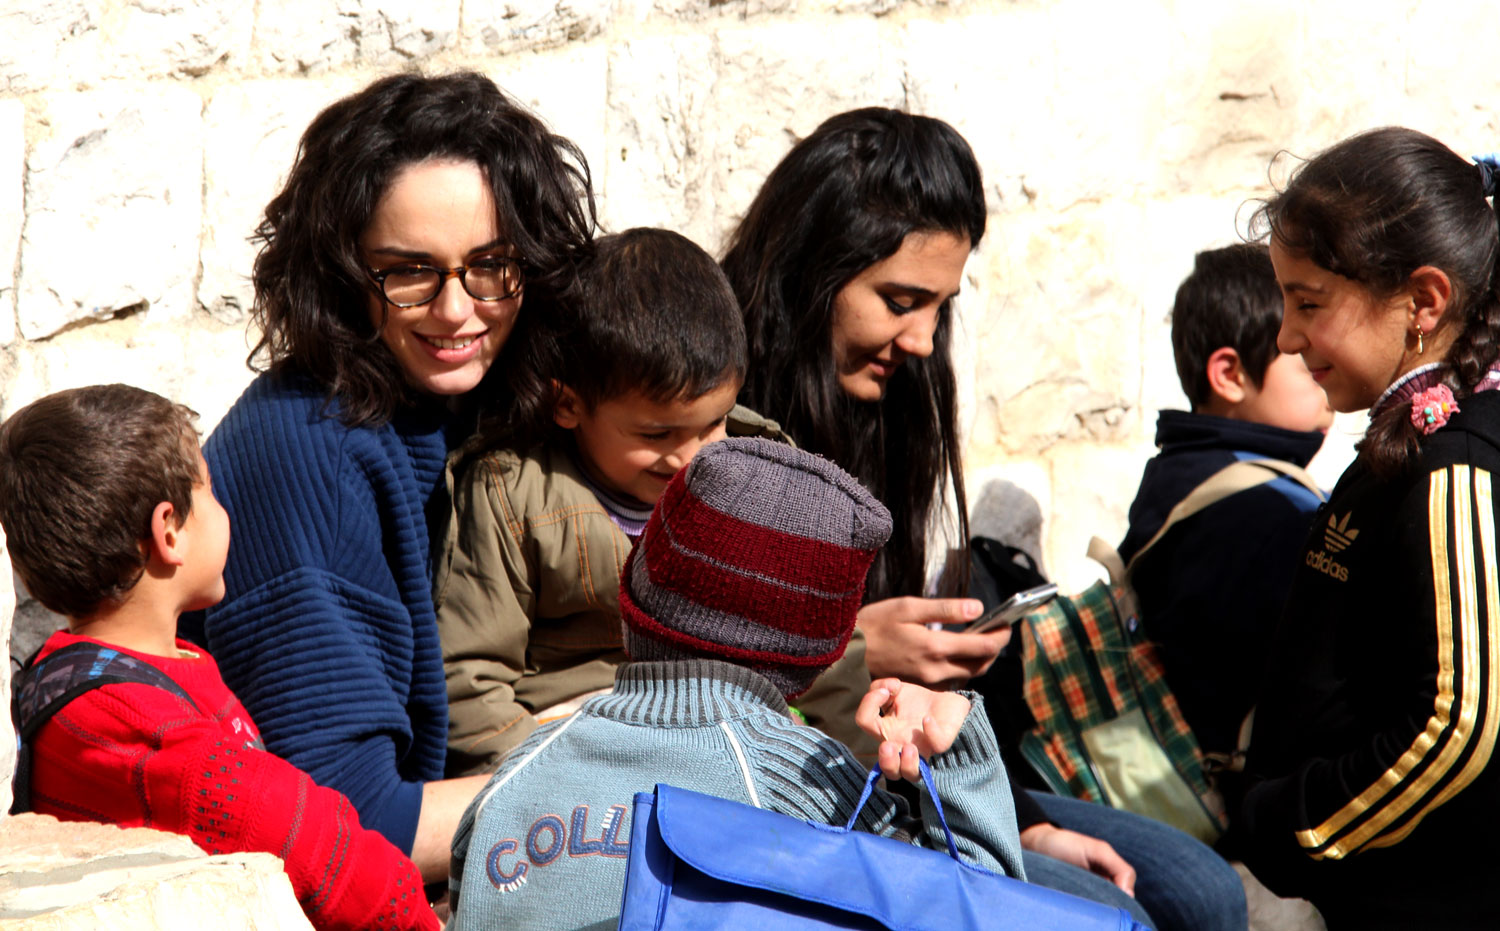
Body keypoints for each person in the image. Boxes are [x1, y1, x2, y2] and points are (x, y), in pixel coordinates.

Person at [722, 106, 1248, 931]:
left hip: (911, 754)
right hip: (799, 774)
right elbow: (705, 670)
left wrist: (1014, 814)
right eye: (900, 300)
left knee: (1200, 887)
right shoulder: (718, 407)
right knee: (1121, 914)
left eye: (941, 306)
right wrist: (860, 646)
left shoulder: (891, 397)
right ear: (814, 268)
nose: (925, 340)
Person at [184, 71, 596, 885]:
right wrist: (617, 774)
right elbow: (358, 824)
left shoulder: (469, 406)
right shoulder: (312, 459)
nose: (456, 310)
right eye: (410, 271)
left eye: (492, 265)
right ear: (342, 275)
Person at [446, 438, 1026, 931]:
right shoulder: (801, 783)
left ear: (631, 605)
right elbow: (984, 913)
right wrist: (960, 749)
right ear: (819, 656)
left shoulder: (514, 777)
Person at [0, 385, 437, 931]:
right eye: (207, 490)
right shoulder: (122, 722)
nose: (220, 508)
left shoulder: (105, 669)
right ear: (169, 531)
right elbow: (306, 838)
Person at [1228, 127, 1500, 928]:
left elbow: (1461, 725)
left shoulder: (1457, 467)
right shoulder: (1408, 444)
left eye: (1309, 303)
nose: (1285, 336)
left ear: (1423, 301)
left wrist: (1300, 824)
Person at [436, 227, 784, 775]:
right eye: (657, 436)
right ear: (568, 405)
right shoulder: (514, 495)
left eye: (713, 424)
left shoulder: (759, 478)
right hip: (569, 761)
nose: (690, 458)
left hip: (719, 754)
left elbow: (815, 636)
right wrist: (537, 785)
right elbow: (469, 678)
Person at [1118, 243, 1332, 757]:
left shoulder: (1177, 472)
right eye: (1306, 361)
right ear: (1230, 375)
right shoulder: (1268, 512)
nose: (1327, 368)